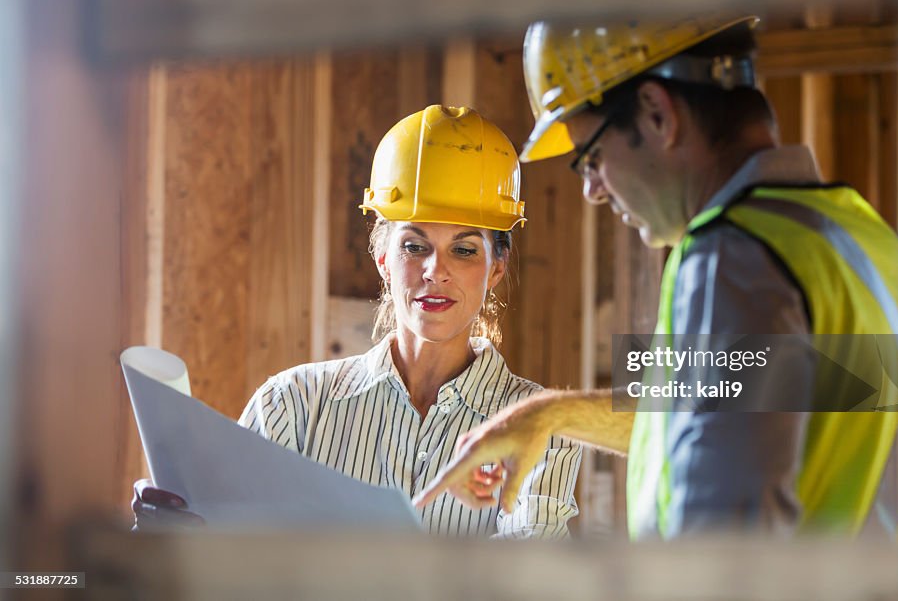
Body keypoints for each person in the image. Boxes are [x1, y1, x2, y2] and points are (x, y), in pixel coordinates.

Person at [415, 16, 898, 540]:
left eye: (591, 157)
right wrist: (550, 414)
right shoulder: (874, 246)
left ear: (658, 114)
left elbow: (716, 542)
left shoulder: (731, 257)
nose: (592, 189)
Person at [132, 105, 582, 539]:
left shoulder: (541, 427)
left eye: (464, 250)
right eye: (414, 246)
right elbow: (231, 569)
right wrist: (178, 545)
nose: (435, 271)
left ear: (496, 269)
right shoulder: (291, 407)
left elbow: (528, 581)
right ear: (383, 257)